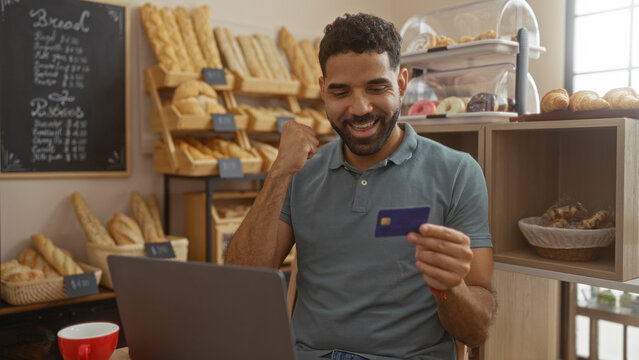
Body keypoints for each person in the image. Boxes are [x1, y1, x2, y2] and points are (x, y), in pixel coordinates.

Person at [225, 13, 495, 360]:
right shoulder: (300, 174)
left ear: (401, 83)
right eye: (341, 92)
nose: (360, 108)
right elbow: (240, 283)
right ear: (323, 90)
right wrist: (279, 173)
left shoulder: (458, 173)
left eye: (376, 87)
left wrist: (451, 288)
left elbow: (476, 332)